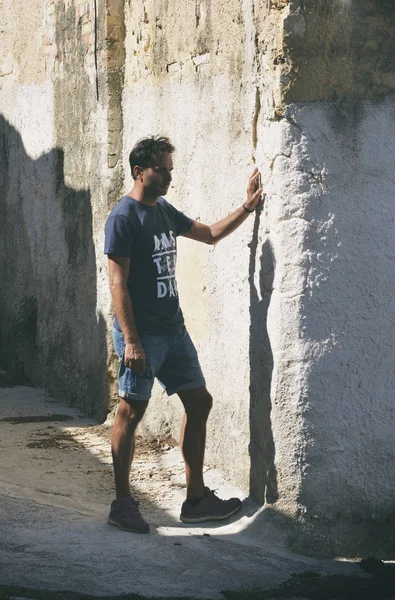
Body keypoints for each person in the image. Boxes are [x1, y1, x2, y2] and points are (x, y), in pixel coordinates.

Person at [104, 136, 263, 533]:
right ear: (140, 172)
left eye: (171, 169)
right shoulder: (123, 218)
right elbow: (118, 284)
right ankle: (122, 504)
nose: (169, 176)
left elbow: (208, 234)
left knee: (199, 402)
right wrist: (132, 340)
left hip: (173, 331)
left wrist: (247, 206)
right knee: (130, 412)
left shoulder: (163, 211)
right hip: (142, 335)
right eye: (163, 169)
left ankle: (195, 500)